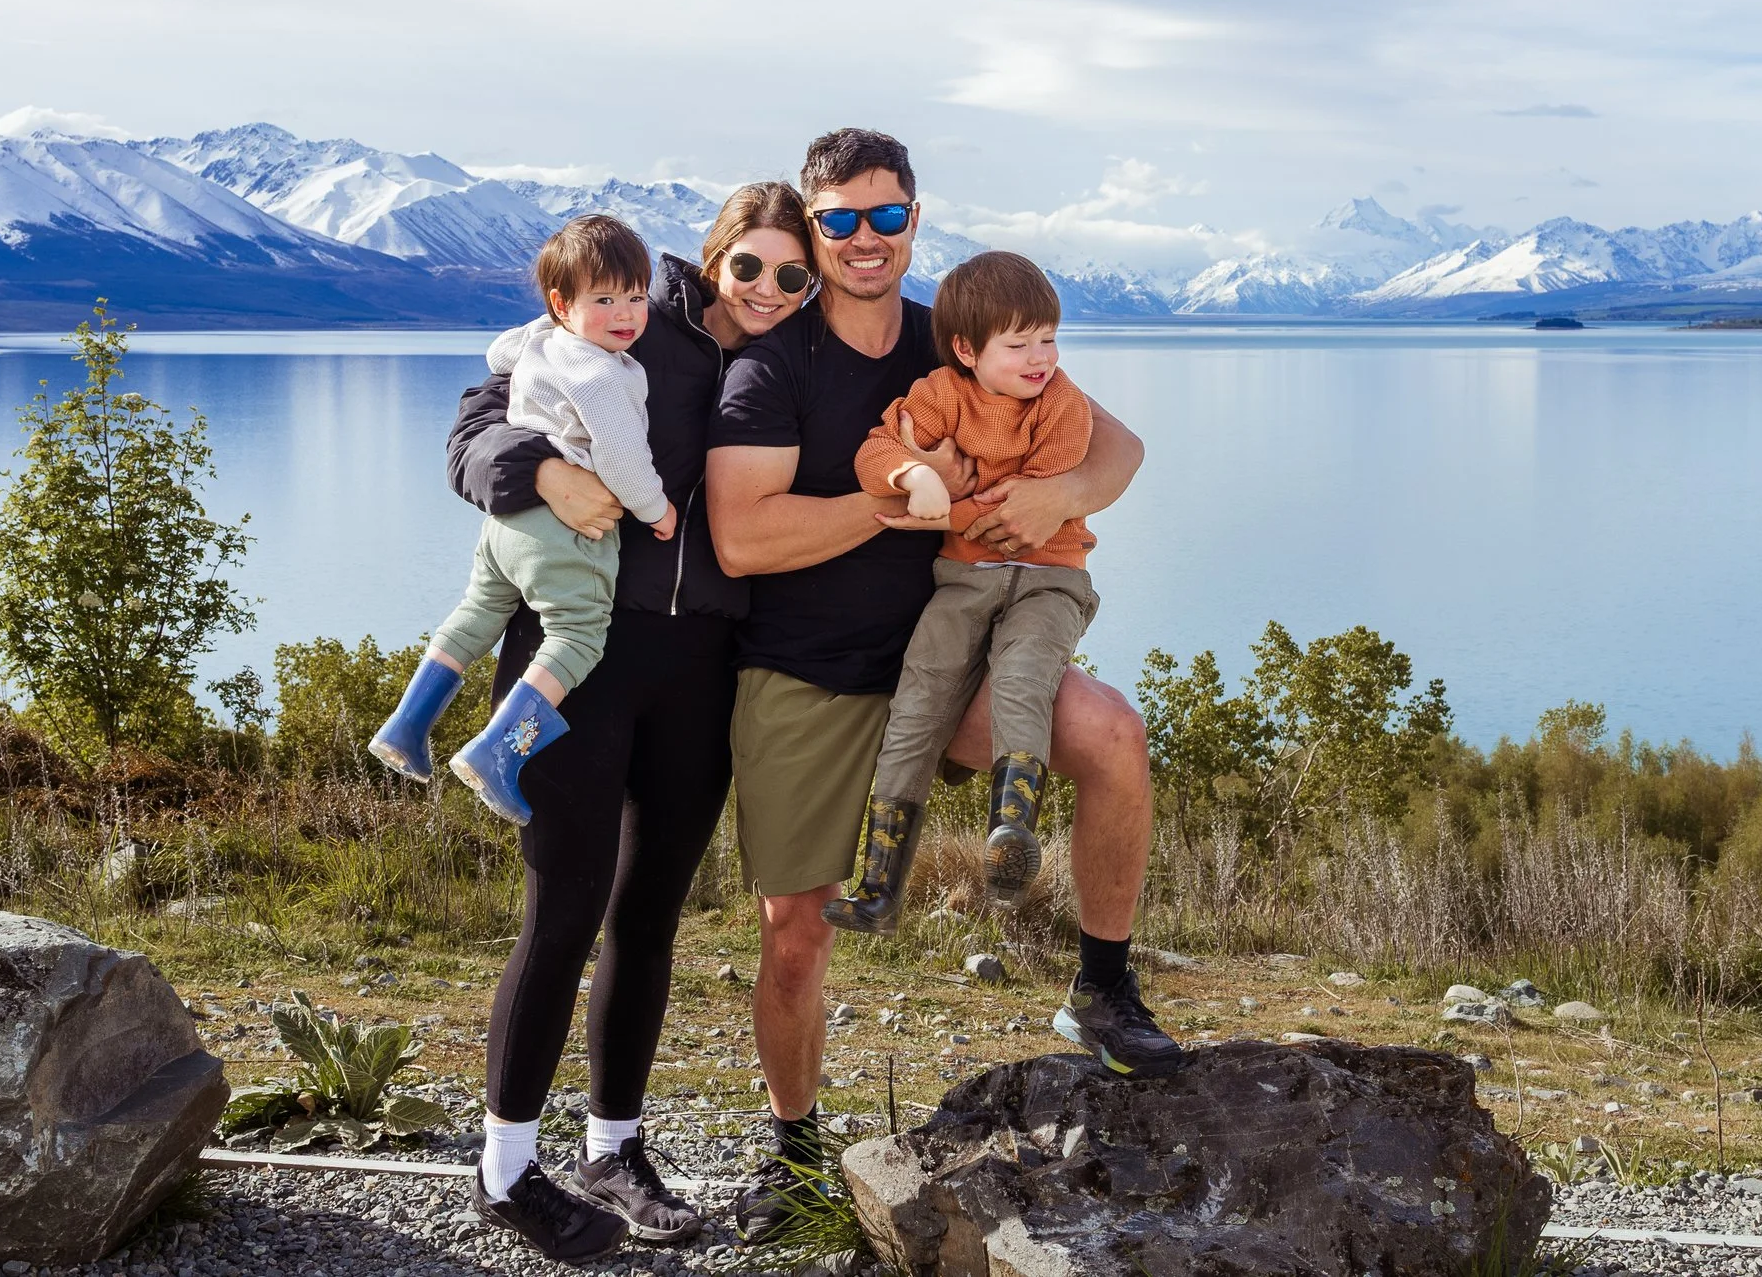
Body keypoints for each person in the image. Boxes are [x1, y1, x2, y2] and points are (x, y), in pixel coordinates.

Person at [705, 128, 1185, 1243]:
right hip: (809, 670)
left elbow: (1121, 453)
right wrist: (898, 504)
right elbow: (741, 536)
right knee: (795, 930)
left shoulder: (962, 330)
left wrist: (1052, 496)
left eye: (886, 216)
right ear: (812, 224)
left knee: (1111, 730)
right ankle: (792, 1146)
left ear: (914, 219)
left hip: (958, 648)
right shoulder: (775, 363)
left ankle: (1101, 990)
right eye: (838, 219)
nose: (863, 238)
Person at [437, 184, 818, 1260]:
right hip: (587, 656)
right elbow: (474, 431)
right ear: (712, 261)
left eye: (794, 273)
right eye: (750, 267)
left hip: (704, 665)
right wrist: (540, 468)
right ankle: (505, 1171)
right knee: (561, 908)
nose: (771, 290)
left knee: (647, 915)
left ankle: (615, 1148)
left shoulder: (800, 359)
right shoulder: (625, 320)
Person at [826, 249, 1103, 932]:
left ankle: (1012, 830)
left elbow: (1017, 517)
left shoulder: (1063, 405)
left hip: (1049, 579)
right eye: (1020, 344)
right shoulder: (941, 394)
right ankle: (880, 882)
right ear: (965, 350)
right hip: (961, 581)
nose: (1041, 357)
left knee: (1023, 677)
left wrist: (940, 508)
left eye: (1049, 338)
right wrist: (911, 478)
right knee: (918, 699)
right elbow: (874, 452)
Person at [369, 214, 674, 825]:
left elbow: (498, 351)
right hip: (567, 529)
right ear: (564, 304)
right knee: (577, 636)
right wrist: (657, 510)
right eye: (605, 299)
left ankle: (407, 726)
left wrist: (548, 331)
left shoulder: (542, 339)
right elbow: (620, 457)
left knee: (479, 611)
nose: (626, 315)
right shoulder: (601, 374)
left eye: (637, 298)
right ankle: (498, 753)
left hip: (505, 526)